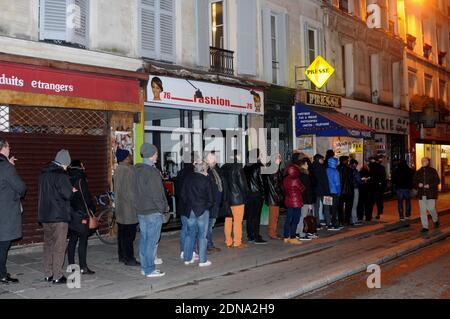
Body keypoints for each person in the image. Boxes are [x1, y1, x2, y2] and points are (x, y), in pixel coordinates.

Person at [38, 149, 75, 284]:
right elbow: (67, 194)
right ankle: (58, 276)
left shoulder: (43, 174)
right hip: (59, 216)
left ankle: (48, 273)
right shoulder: (61, 175)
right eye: (67, 165)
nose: (67, 168)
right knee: (59, 246)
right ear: (64, 162)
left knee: (48, 244)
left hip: (45, 215)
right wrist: (71, 190)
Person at [134, 143, 169, 278]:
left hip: (141, 210)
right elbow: (157, 194)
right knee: (151, 241)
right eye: (156, 153)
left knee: (144, 239)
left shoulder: (136, 170)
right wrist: (163, 209)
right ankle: (149, 269)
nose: (157, 156)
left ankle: (144, 267)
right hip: (153, 211)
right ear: (151, 155)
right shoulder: (152, 172)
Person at [0, 139, 26, 284]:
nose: (10, 149)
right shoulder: (7, 168)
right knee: (3, 245)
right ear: (3, 148)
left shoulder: (6, 166)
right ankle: (2, 274)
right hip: (4, 214)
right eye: (9, 146)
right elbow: (21, 188)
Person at [181, 161, 214, 267]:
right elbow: (210, 199)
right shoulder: (205, 180)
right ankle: (202, 260)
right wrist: (205, 208)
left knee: (190, 235)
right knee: (202, 236)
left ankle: (187, 258)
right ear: (204, 169)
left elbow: (183, 195)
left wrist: (189, 204)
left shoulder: (188, 178)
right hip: (202, 211)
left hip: (190, 210)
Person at [67, 160, 96, 275]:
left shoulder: (68, 178)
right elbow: (86, 197)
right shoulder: (81, 179)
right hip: (82, 214)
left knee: (73, 239)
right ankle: (83, 267)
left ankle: (71, 265)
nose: (84, 166)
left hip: (71, 213)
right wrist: (92, 208)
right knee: (83, 240)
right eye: (82, 165)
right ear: (79, 167)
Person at [114, 149, 140, 266]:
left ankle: (122, 256)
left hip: (120, 208)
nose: (131, 157)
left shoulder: (118, 170)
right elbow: (131, 192)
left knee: (122, 235)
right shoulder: (129, 171)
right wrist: (137, 205)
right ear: (125, 158)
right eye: (129, 155)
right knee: (130, 236)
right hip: (129, 209)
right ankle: (129, 258)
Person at [221, 151, 249, 249]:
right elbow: (242, 184)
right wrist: (246, 195)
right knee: (237, 221)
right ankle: (237, 242)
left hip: (227, 199)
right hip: (237, 199)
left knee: (228, 220)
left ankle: (228, 241)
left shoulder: (223, 167)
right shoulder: (238, 167)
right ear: (236, 156)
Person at [176, 154, 197, 260]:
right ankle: (191, 251)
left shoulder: (180, 173)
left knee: (184, 229)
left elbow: (177, 191)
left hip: (182, 205)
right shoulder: (194, 174)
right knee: (192, 230)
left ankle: (183, 251)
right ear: (194, 162)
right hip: (191, 206)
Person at [244, 149, 267, 244]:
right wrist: (263, 193)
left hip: (248, 195)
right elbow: (262, 181)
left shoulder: (246, 167)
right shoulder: (259, 166)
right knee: (256, 216)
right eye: (260, 154)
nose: (260, 156)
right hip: (257, 194)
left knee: (249, 215)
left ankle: (250, 236)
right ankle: (256, 236)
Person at [413, 157, 441, 233]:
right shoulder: (418, 171)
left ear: (428, 162)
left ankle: (435, 220)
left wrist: (429, 185)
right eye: (422, 161)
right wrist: (418, 184)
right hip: (421, 194)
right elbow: (414, 182)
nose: (423, 162)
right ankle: (425, 227)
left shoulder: (433, 171)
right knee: (422, 211)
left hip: (431, 193)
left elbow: (437, 181)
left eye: (425, 160)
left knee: (431, 208)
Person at [205, 151, 224, 253]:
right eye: (213, 160)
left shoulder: (214, 170)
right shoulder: (206, 172)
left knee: (210, 226)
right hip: (210, 205)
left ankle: (209, 245)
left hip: (215, 204)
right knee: (207, 227)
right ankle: (209, 246)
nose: (215, 162)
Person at [283, 162, 305, 245]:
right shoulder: (296, 179)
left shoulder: (285, 179)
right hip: (296, 202)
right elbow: (302, 188)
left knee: (288, 219)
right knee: (295, 220)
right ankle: (292, 237)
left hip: (288, 201)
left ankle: (286, 236)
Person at [264, 153, 284, 240]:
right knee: (274, 216)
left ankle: (273, 232)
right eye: (279, 158)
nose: (280, 160)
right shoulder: (274, 169)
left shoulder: (271, 168)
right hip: (274, 196)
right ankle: (272, 233)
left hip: (272, 195)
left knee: (274, 216)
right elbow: (276, 185)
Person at [297, 158, 315, 241]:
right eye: (307, 164)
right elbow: (307, 189)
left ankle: (301, 232)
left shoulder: (301, 174)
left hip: (303, 199)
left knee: (303, 216)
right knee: (303, 216)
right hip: (305, 199)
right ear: (303, 165)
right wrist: (310, 201)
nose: (308, 165)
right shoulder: (304, 175)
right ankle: (301, 233)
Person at [311, 154, 330, 227]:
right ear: (319, 159)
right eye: (322, 159)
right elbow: (325, 180)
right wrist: (328, 191)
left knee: (316, 208)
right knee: (326, 207)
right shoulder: (322, 168)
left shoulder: (311, 167)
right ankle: (328, 223)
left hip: (315, 191)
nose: (323, 160)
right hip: (323, 190)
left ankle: (317, 223)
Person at [337, 156, 354, 226]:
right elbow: (351, 180)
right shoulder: (349, 169)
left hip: (340, 191)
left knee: (339, 207)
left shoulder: (337, 169)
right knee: (348, 207)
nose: (348, 161)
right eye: (347, 160)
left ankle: (340, 220)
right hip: (348, 191)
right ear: (344, 161)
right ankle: (347, 220)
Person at [326, 157, 341, 231]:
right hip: (334, 192)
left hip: (327, 192)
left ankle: (328, 223)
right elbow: (337, 183)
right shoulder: (336, 171)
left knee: (328, 208)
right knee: (334, 208)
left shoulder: (326, 170)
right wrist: (339, 192)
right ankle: (334, 224)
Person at [350, 159, 362, 226]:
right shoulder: (355, 171)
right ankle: (354, 220)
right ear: (354, 164)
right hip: (355, 188)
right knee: (354, 205)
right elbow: (358, 180)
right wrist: (362, 180)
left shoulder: (348, 170)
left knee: (351, 205)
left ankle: (352, 219)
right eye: (356, 164)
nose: (356, 166)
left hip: (349, 189)